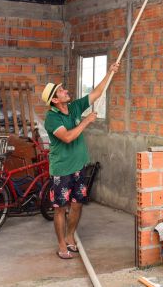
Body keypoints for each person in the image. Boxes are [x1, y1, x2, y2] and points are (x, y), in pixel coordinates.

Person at [41, 61, 120, 260]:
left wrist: (109, 72)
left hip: (79, 167)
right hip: (62, 169)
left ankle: (70, 236)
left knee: (77, 205)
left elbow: (97, 93)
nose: (66, 91)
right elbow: (67, 137)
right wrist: (86, 121)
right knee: (60, 209)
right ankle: (61, 244)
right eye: (61, 91)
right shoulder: (52, 118)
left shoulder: (74, 107)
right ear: (55, 100)